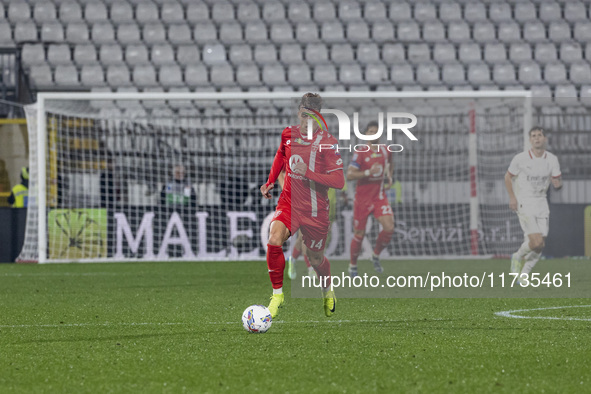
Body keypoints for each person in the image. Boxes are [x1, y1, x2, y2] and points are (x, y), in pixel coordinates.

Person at [260, 93, 345, 318]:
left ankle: (327, 289)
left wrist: (308, 173)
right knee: (274, 238)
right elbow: (280, 155)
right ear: (299, 112)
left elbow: (339, 181)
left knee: (315, 258)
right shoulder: (288, 134)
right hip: (289, 202)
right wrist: (270, 181)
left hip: (315, 210)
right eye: (304, 115)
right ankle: (277, 295)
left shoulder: (328, 143)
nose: (307, 120)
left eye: (313, 117)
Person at [505, 127, 562, 280]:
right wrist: (512, 197)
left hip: (542, 202)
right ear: (530, 140)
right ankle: (517, 256)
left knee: (540, 244)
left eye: (539, 135)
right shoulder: (520, 159)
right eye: (533, 136)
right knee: (535, 241)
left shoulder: (552, 159)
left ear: (545, 139)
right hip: (525, 202)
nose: (537, 138)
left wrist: (557, 183)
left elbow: (557, 179)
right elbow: (507, 177)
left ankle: (523, 275)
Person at [346, 121, 395, 277]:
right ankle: (353, 265)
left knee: (389, 227)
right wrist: (367, 173)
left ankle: (375, 255)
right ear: (366, 134)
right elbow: (350, 174)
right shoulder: (360, 152)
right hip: (362, 199)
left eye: (376, 131)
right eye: (370, 131)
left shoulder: (386, 151)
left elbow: (391, 163)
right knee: (359, 234)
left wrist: (389, 176)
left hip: (379, 197)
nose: (374, 133)